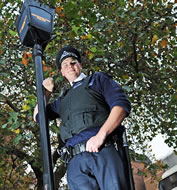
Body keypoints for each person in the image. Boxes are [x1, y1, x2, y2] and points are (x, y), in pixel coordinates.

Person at [33, 46, 132, 190]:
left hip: (101, 151)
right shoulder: (63, 100)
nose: (70, 66)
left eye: (73, 62)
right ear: (62, 71)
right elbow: (38, 117)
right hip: (75, 164)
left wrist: (101, 135)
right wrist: (46, 93)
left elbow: (121, 106)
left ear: (80, 64)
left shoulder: (97, 80)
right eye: (65, 65)